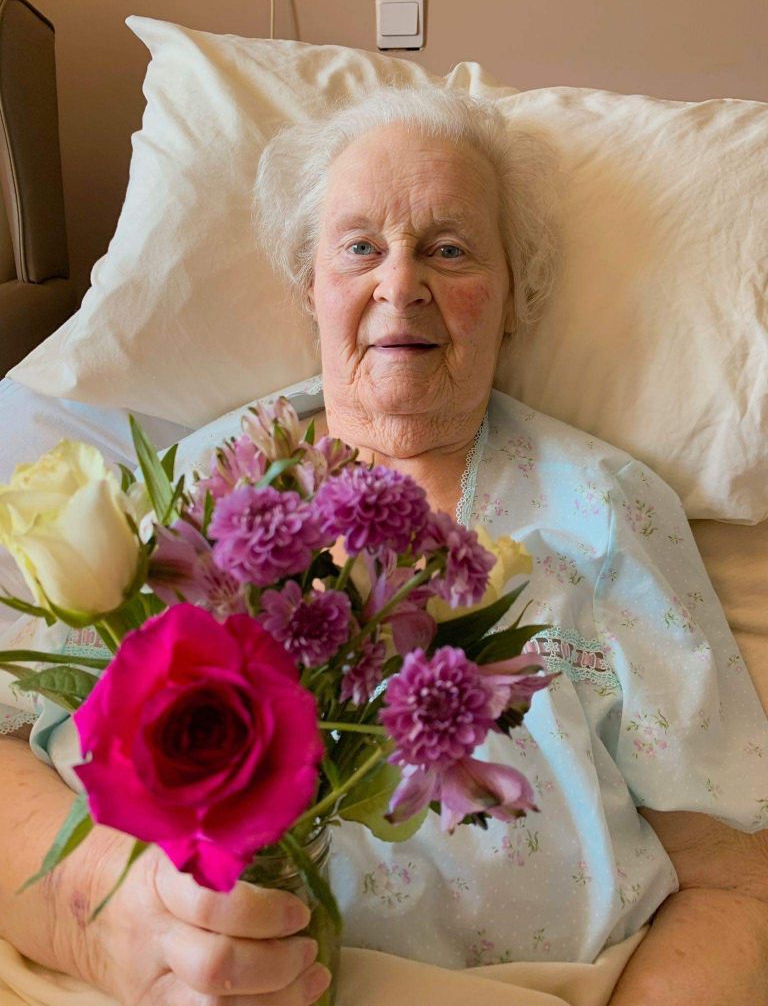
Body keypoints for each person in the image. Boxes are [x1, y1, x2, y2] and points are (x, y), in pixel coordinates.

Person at [0, 86, 766, 1006]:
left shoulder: (604, 511)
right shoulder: (199, 492)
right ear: (310, 287)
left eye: (449, 250)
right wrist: (105, 924)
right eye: (361, 247)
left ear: (514, 299)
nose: (400, 285)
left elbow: (736, 880)